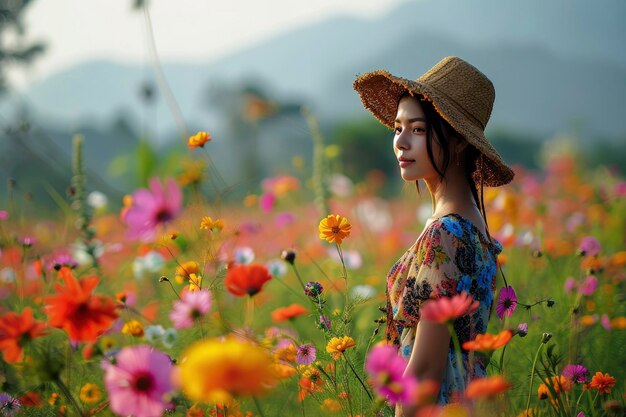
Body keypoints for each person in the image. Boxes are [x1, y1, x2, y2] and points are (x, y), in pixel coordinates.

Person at [353, 56, 515, 414]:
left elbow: (425, 369)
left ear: (458, 141)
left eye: (419, 130)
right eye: (398, 128)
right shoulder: (472, 226)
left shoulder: (446, 233)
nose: (401, 142)